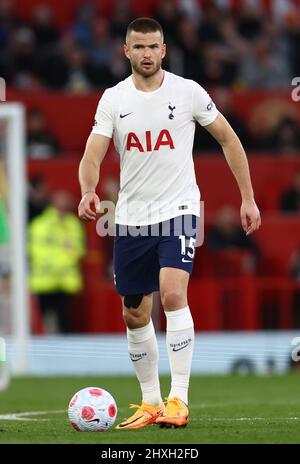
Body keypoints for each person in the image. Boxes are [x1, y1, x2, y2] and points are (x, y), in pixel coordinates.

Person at [78, 17, 261, 430]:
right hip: (130, 218)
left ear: (164, 50)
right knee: (135, 315)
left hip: (179, 210)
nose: (146, 54)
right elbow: (93, 153)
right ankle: (150, 401)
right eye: (138, 47)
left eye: (153, 46)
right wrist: (89, 190)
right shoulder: (113, 99)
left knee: (173, 293)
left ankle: (179, 399)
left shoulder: (189, 92)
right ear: (126, 51)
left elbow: (229, 139)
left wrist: (247, 198)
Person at [29, 190, 85, 333]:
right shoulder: (39, 225)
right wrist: (61, 259)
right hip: (43, 282)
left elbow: (77, 249)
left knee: (64, 322)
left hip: (64, 282)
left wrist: (57, 260)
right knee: (41, 324)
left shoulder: (73, 224)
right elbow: (35, 250)